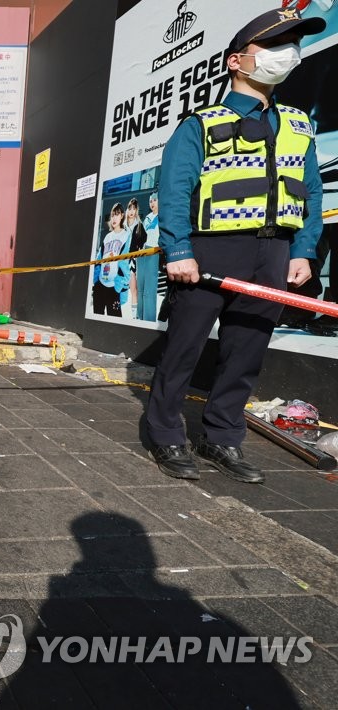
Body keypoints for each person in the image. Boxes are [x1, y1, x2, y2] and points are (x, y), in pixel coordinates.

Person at [145, 7, 325, 484]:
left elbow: (311, 192)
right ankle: (164, 434)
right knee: (183, 349)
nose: (286, 55)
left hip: (273, 255)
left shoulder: (298, 126)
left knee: (245, 355)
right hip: (209, 252)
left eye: (292, 46)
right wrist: (178, 249)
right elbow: (175, 190)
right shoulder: (200, 124)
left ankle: (221, 437)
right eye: (272, 47)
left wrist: (303, 250)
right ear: (236, 61)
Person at [92, 203, 130, 316]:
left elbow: (126, 264)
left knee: (115, 322)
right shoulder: (107, 237)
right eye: (112, 215)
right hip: (101, 284)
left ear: (122, 215)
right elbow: (98, 260)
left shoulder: (126, 236)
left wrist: (118, 287)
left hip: (114, 287)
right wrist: (96, 281)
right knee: (97, 320)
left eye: (117, 214)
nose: (114, 218)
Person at [136, 192, 161, 321]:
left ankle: (148, 319)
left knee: (149, 290)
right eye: (150, 201)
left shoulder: (163, 217)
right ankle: (139, 316)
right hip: (142, 252)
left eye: (155, 200)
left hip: (153, 251)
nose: (152, 203)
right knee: (140, 286)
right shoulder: (147, 217)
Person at [123, 197, 147, 318]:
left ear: (137, 210)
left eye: (134, 208)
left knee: (134, 289)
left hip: (132, 260)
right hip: (120, 260)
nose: (132, 211)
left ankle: (134, 316)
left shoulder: (139, 226)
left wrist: (138, 251)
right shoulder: (123, 225)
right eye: (130, 208)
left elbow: (144, 241)